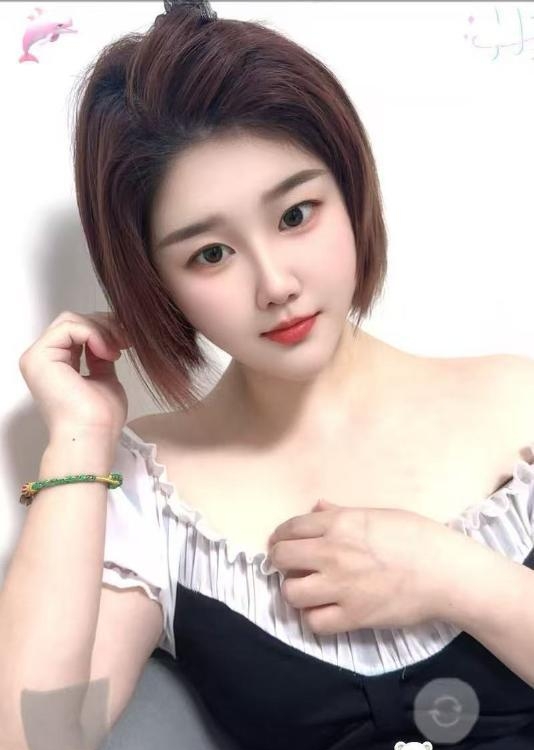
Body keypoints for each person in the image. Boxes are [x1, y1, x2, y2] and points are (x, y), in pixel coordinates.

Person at [2, 1, 534, 749]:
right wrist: (78, 440)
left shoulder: (517, 404)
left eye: (295, 215)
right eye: (210, 254)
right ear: (158, 283)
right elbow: (39, 735)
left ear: (351, 191)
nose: (276, 284)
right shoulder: (151, 492)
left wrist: (452, 576)